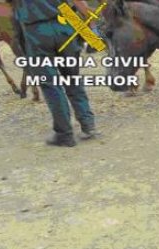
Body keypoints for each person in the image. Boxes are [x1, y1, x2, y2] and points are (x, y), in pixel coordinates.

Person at [9, 0, 99, 147]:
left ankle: (65, 135)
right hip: (65, 23)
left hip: (36, 32)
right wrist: (92, 27)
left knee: (50, 85)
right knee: (72, 79)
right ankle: (88, 125)